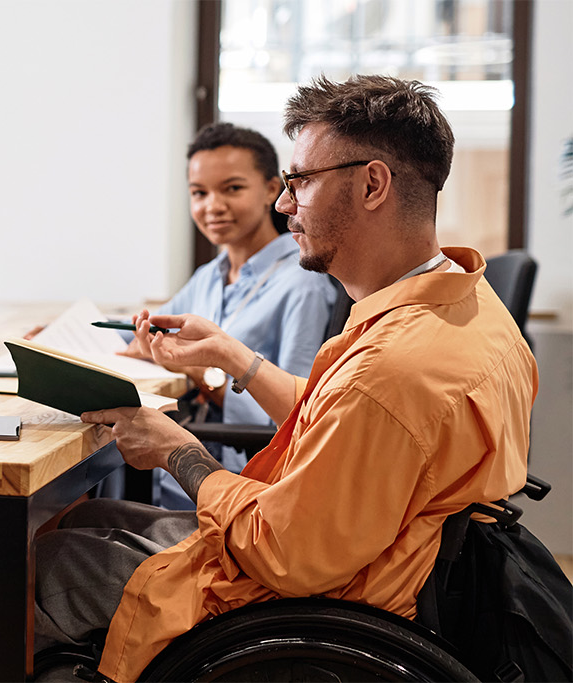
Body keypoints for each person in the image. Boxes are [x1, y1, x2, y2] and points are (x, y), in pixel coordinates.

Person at [32, 74, 537, 682]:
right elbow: (346, 425)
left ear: (373, 183)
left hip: (312, 603)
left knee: (44, 559)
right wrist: (234, 356)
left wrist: (182, 455)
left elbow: (285, 552)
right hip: (366, 557)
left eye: (300, 182)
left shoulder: (391, 370)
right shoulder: (465, 307)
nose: (283, 204)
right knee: (85, 519)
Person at [116, 122, 337, 509]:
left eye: (232, 189)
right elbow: (142, 330)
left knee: (82, 497)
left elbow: (297, 416)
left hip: (237, 479)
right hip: (186, 457)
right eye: (199, 193)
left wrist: (202, 374)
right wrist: (61, 336)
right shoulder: (210, 276)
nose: (212, 206)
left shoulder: (303, 284)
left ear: (273, 189)